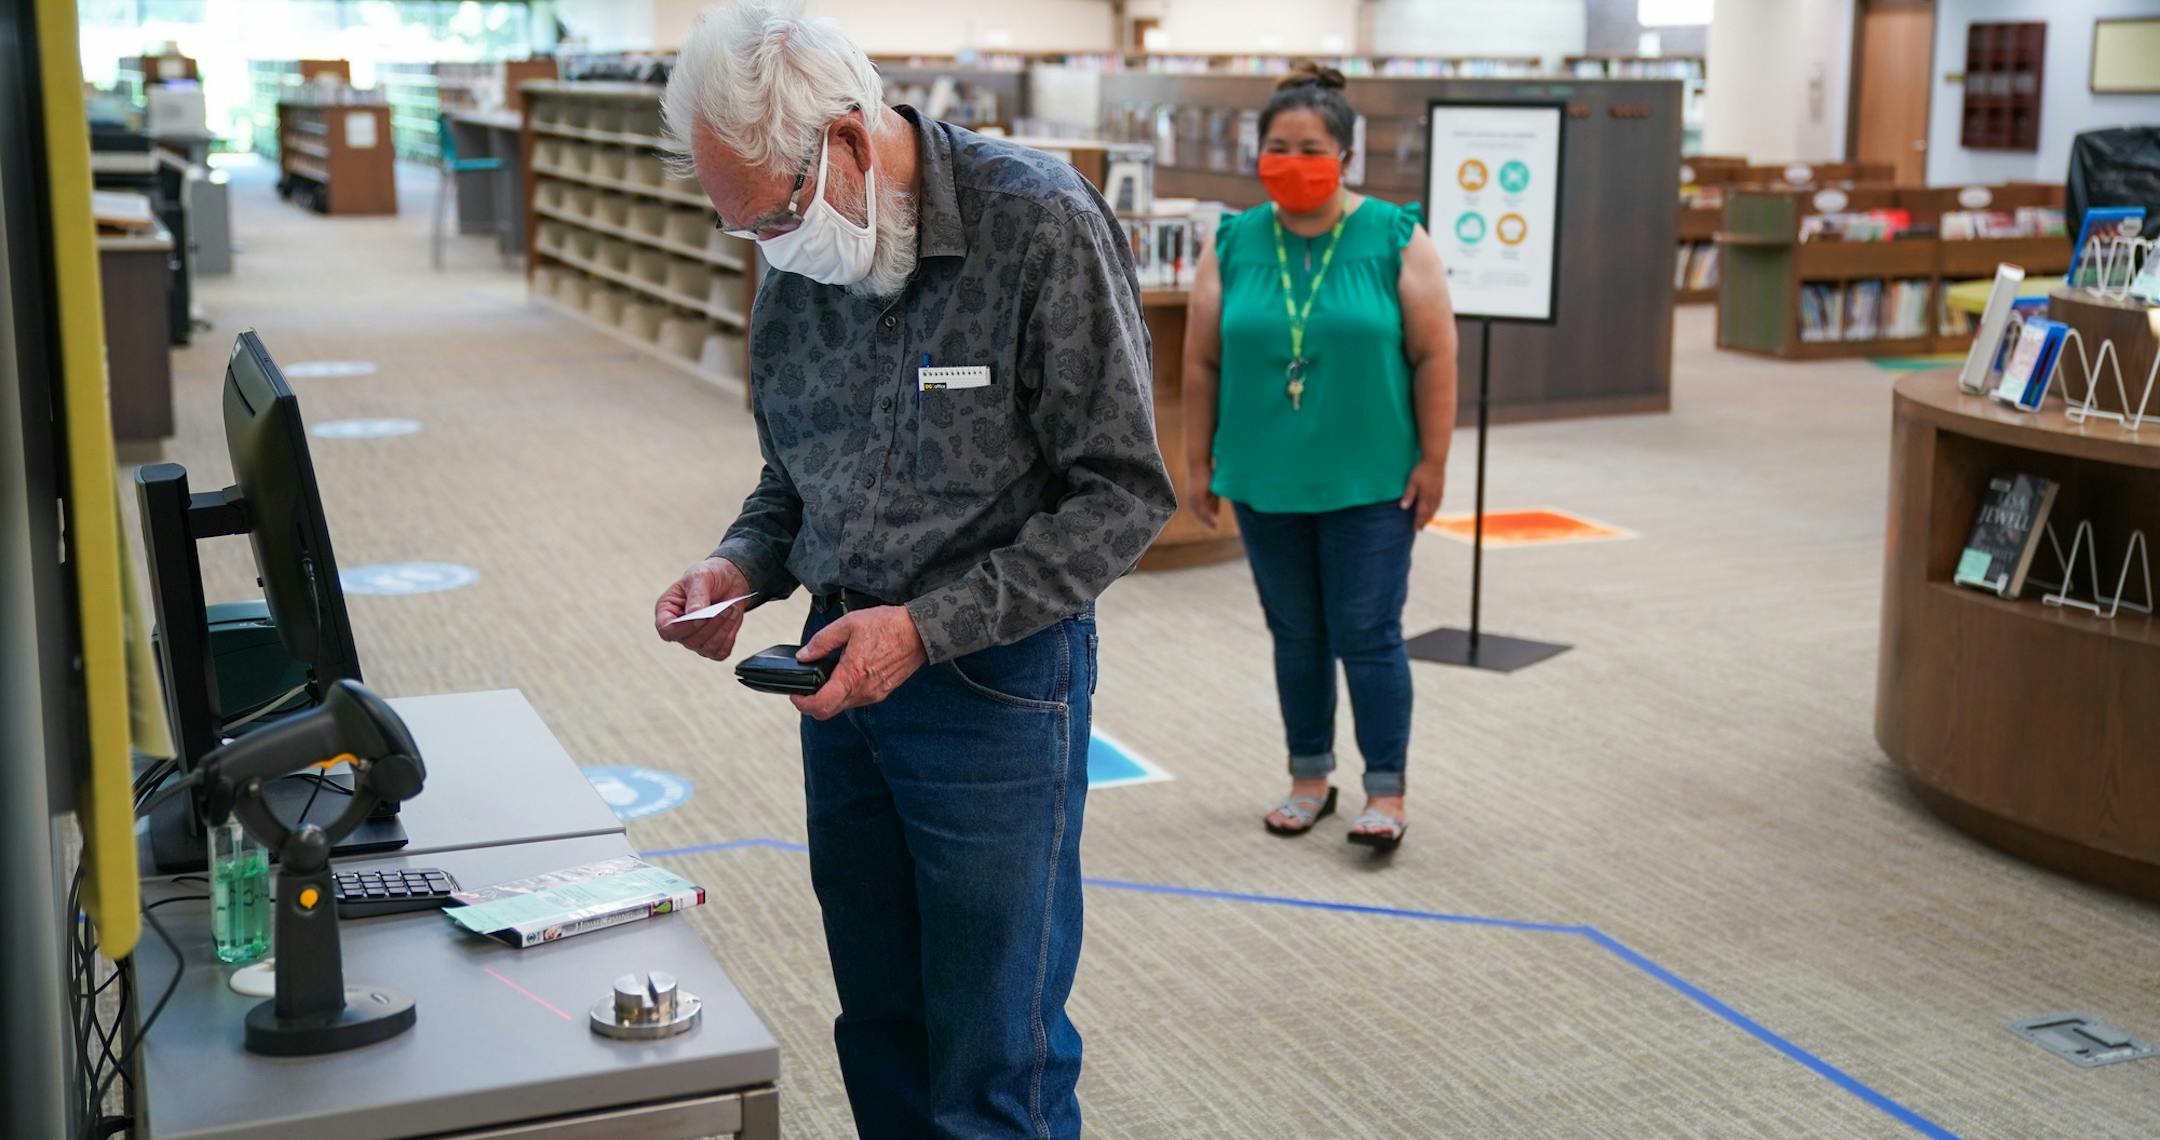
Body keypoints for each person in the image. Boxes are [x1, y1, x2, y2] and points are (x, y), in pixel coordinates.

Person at [649, 4, 1175, 1137]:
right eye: (740, 228)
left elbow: (1124, 495)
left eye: (773, 215)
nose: (769, 248)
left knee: (996, 1053)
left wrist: (926, 629)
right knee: (879, 1025)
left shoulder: (1035, 221)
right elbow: (795, 475)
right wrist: (740, 563)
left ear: (846, 138)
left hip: (991, 690)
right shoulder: (797, 241)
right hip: (837, 680)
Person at [1181, 63, 1459, 854]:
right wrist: (1198, 464)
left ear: (1346, 154)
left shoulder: (1396, 237)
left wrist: (1434, 460)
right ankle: (1309, 778)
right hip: (1266, 475)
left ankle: (1386, 791)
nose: (1292, 159)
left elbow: (1437, 354)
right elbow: (1201, 364)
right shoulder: (1232, 243)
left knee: (1367, 632)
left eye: (1310, 146)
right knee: (1295, 633)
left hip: (1370, 477)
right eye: (1277, 145)